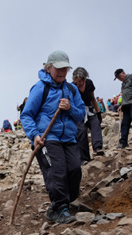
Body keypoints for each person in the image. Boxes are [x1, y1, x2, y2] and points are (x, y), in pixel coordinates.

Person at [20, 50, 86, 224]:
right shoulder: (40, 88)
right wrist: (34, 135)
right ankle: (60, 207)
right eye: (58, 68)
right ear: (49, 68)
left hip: (69, 138)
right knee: (57, 171)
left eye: (65, 68)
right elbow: (26, 115)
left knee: (74, 170)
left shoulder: (71, 89)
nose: (62, 72)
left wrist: (70, 108)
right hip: (47, 137)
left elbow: (81, 115)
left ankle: (59, 205)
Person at [72, 67, 105, 161]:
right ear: (75, 80)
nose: (81, 83)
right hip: (78, 112)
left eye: (83, 80)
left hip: (89, 110)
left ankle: (98, 148)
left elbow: (93, 99)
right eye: (79, 81)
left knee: (95, 123)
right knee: (81, 131)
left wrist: (98, 113)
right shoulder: (72, 88)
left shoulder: (89, 83)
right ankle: (84, 158)